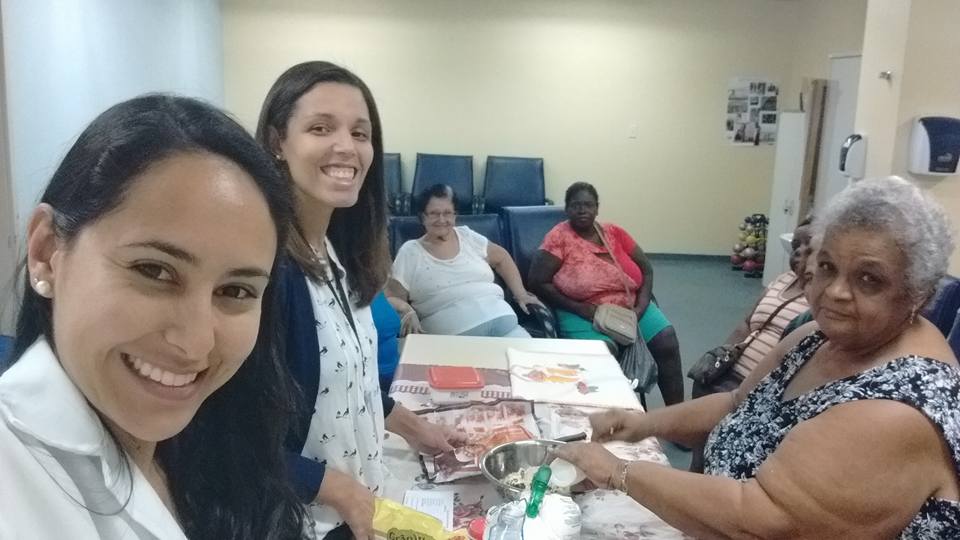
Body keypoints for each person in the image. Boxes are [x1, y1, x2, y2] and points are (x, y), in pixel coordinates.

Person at [557, 177, 959, 538]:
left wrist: (618, 472)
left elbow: (762, 519)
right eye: (827, 267)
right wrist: (643, 424)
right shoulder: (817, 338)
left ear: (918, 293)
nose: (835, 291)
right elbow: (737, 403)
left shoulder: (898, 410)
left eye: (869, 278)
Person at [0, 95, 307, 539]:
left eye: (235, 291)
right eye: (154, 271)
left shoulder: (219, 441)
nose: (196, 343)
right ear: (46, 252)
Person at [256, 61, 462, 540]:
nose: (347, 147)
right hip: (306, 521)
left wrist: (417, 429)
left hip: (360, 505)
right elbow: (226, 438)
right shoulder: (266, 269)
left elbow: (350, 384)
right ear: (276, 142)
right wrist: (339, 490)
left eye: (360, 133)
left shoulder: (334, 250)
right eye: (320, 128)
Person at [528, 181, 684, 406]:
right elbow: (537, 281)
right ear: (567, 209)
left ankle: (677, 413)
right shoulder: (558, 238)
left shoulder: (614, 233)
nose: (582, 210)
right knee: (603, 352)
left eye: (588, 205)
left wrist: (641, 306)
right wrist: (580, 308)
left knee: (666, 339)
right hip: (582, 311)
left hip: (631, 307)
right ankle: (613, 416)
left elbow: (646, 270)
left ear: (597, 208)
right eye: (576, 205)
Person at [387, 184, 542, 338]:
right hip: (452, 339)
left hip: (505, 323)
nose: (442, 219)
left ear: (455, 215)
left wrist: (521, 294)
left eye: (447, 213)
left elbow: (502, 258)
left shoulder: (467, 236)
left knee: (530, 353)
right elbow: (391, 297)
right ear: (423, 217)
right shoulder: (410, 252)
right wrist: (406, 310)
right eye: (434, 213)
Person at [693, 216, 816, 397]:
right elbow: (746, 323)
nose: (798, 251)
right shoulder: (782, 280)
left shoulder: (821, 298)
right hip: (732, 372)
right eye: (796, 244)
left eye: (808, 245)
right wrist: (719, 360)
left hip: (765, 387)